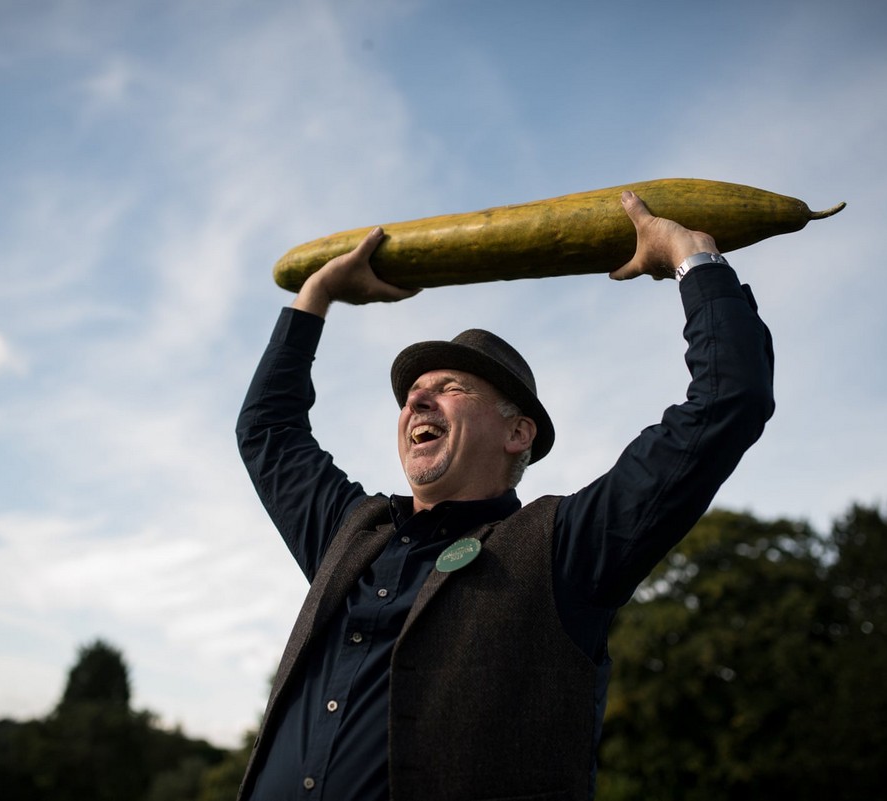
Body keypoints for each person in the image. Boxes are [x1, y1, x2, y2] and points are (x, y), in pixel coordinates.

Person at [235, 191, 775, 800]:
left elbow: (728, 401)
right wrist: (315, 297)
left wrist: (692, 257)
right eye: (412, 393)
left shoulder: (564, 550)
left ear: (519, 432)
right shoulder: (348, 531)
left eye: (450, 387)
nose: (416, 400)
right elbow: (267, 432)